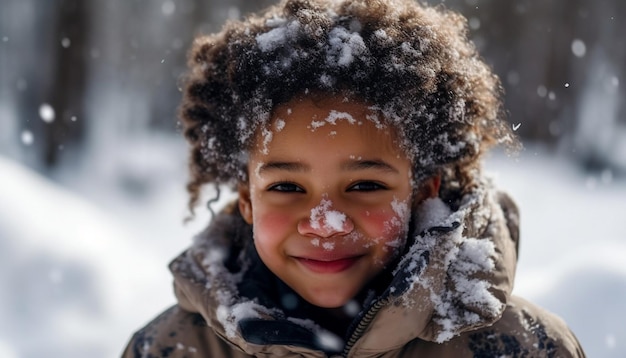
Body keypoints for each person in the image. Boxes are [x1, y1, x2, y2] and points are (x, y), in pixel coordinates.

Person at [123, 0, 586, 356]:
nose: (325, 222)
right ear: (247, 199)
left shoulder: (525, 347)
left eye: (365, 186)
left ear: (424, 190)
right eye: (286, 188)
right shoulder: (170, 347)